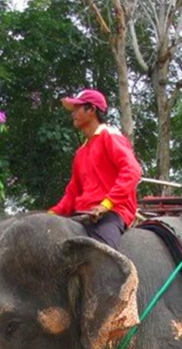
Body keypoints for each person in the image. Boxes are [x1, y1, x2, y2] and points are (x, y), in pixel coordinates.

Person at [49, 89, 142, 249]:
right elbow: (72, 193)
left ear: (91, 109)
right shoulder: (81, 152)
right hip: (83, 213)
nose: (73, 114)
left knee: (102, 260)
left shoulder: (110, 137)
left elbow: (132, 170)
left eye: (77, 108)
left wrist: (106, 204)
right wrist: (51, 214)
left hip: (111, 213)